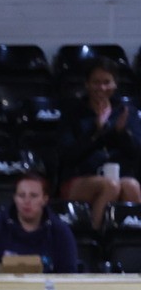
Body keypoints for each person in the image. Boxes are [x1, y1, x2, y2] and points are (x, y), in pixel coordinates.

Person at [58, 57, 141, 229]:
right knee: (110, 186)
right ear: (87, 84)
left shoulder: (126, 112)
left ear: (115, 84)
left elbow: (136, 153)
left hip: (119, 177)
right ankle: (95, 239)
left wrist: (121, 133)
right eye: (96, 82)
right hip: (80, 179)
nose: (101, 88)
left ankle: (128, 243)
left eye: (106, 82)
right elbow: (68, 157)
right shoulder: (73, 113)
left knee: (132, 186)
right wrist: (95, 132)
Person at [0, 171, 78, 274]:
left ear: (45, 199)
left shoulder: (60, 232)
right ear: (14, 198)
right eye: (21, 195)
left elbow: (68, 273)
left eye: (33, 196)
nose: (27, 201)